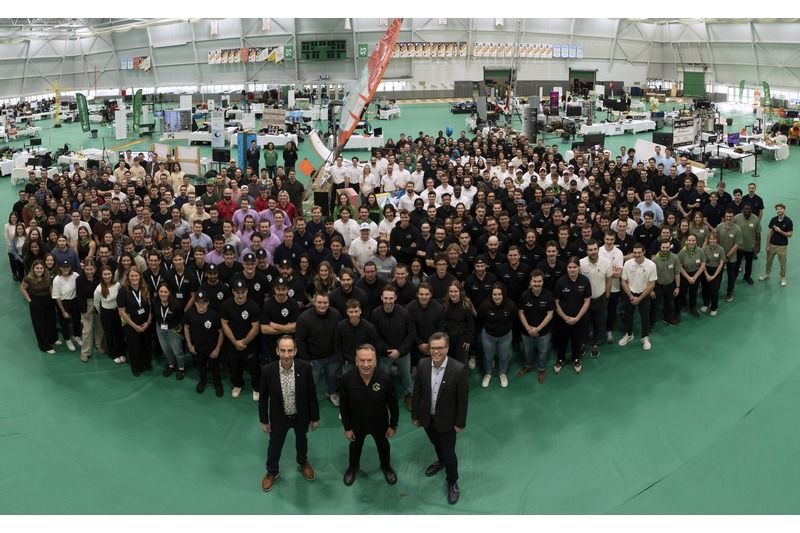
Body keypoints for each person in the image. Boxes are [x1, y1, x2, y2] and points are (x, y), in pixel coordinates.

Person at [411, 332, 469, 506]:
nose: (436, 352)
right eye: (433, 348)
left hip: (448, 421)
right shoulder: (422, 364)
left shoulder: (458, 369)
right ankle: (440, 461)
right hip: (427, 418)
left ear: (447, 348)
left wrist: (460, 423)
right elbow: (417, 392)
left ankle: (452, 481)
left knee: (449, 452)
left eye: (440, 348)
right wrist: (415, 415)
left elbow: (463, 399)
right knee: (436, 444)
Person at [258, 336, 320, 493]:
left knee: (302, 441)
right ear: (277, 351)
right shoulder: (267, 371)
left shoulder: (305, 368)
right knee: (274, 445)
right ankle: (272, 471)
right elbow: (263, 398)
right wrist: (264, 420)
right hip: (279, 417)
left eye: (290, 350)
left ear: (295, 351)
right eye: (283, 350)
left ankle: (302, 462)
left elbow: (311, 393)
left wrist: (314, 417)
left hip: (300, 416)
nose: (287, 354)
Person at [339, 344, 399, 486]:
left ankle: (386, 467)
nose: (366, 364)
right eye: (362, 360)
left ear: (375, 361)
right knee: (354, 448)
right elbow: (343, 406)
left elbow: (393, 404)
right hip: (356, 424)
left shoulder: (385, 378)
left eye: (369, 360)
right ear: (356, 360)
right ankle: (353, 467)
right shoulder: (346, 379)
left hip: (380, 423)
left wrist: (393, 425)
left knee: (383, 446)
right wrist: (347, 428)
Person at [221, 278, 262, 400]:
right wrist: (235, 342)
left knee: (254, 367)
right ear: (233, 292)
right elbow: (224, 324)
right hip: (232, 343)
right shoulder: (226, 305)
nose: (240, 295)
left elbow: (255, 328)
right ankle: (237, 385)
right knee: (234, 366)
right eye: (238, 292)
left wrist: (244, 342)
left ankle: (256, 387)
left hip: (250, 344)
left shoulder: (253, 306)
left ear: (247, 291)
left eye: (243, 292)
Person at [553, 257, 592, 374]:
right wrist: (565, 318)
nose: (572, 270)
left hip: (579, 319)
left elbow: (587, 301)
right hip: (563, 320)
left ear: (579, 268)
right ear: (567, 268)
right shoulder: (560, 282)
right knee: (562, 340)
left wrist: (577, 318)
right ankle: (560, 359)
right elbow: (556, 303)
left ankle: (576, 359)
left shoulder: (585, 281)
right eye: (570, 267)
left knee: (577, 340)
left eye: (574, 267)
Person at [184, 290, 224, 396]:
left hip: (212, 348)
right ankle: (202, 381)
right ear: (195, 303)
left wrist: (217, 348)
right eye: (198, 302)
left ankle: (218, 384)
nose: (201, 305)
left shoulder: (214, 315)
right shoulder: (190, 313)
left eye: (204, 302)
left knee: (215, 368)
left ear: (208, 303)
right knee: (200, 366)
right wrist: (189, 344)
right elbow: (186, 327)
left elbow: (221, 332)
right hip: (197, 348)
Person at [476, 283, 517, 388]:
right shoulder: (484, 306)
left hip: (505, 337)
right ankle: (488, 373)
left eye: (499, 294)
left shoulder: (510, 305)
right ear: (491, 295)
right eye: (495, 294)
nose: (497, 297)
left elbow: (514, 318)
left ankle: (502, 373)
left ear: (503, 295)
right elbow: (480, 320)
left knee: (503, 356)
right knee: (488, 356)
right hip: (488, 336)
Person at [517, 270, 554, 383]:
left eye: (539, 281)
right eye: (534, 281)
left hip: (543, 332)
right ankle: (528, 366)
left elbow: (550, 314)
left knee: (542, 352)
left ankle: (541, 369)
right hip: (527, 331)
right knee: (528, 350)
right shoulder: (524, 295)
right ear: (530, 282)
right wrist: (528, 328)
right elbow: (521, 312)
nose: (536, 284)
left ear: (543, 282)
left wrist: (538, 329)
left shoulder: (548, 295)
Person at [619, 243, 657, 351]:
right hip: (629, 294)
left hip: (644, 295)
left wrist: (639, 298)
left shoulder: (651, 265)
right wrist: (631, 296)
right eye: (634, 253)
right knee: (628, 316)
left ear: (644, 252)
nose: (637, 255)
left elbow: (652, 284)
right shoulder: (627, 264)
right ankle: (629, 335)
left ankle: (645, 337)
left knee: (645, 317)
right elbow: (623, 281)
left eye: (639, 252)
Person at [117, 267, 153, 376]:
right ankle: (136, 367)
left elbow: (151, 307)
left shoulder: (146, 288)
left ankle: (147, 363)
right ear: (128, 277)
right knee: (134, 346)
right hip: (131, 324)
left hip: (145, 323)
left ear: (140, 277)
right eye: (131, 276)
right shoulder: (123, 291)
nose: (134, 278)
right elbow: (121, 312)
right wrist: (134, 326)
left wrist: (148, 322)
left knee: (147, 344)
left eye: (136, 275)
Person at [579, 240, 612, 358]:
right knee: (584, 323)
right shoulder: (581, 263)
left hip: (600, 298)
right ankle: (584, 343)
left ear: (598, 249)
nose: (593, 252)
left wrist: (607, 296)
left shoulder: (606, 263)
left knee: (599, 323)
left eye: (595, 249)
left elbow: (609, 280)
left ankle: (595, 344)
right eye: (590, 250)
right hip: (585, 301)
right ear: (586, 251)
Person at [20, 259, 57, 354]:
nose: (39, 270)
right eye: (37, 268)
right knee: (39, 324)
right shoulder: (28, 279)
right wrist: (29, 300)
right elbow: (23, 289)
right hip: (36, 302)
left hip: (48, 300)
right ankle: (44, 346)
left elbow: (50, 288)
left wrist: (53, 298)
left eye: (41, 268)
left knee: (50, 320)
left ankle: (51, 339)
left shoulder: (47, 276)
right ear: (33, 268)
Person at [153, 282, 187, 380]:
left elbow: (182, 318)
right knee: (166, 349)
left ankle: (181, 368)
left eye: (165, 292)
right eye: (161, 291)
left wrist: (180, 331)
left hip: (173, 330)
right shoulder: (155, 302)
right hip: (160, 328)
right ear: (158, 292)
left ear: (170, 292)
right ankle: (171, 365)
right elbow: (155, 315)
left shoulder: (176, 304)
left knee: (177, 351)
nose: (163, 294)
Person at [94, 265, 125, 364]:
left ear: (112, 274)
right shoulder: (98, 289)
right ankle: (113, 354)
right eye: (105, 274)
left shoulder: (117, 285)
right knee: (109, 334)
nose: (107, 276)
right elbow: (96, 304)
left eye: (109, 274)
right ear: (102, 276)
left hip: (117, 312)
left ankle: (121, 352)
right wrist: (102, 314)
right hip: (106, 313)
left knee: (119, 333)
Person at [760, 203, 793, 287]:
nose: (779, 210)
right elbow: (769, 233)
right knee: (768, 261)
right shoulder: (773, 220)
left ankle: (783, 277)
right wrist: (767, 245)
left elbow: (790, 234)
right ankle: (767, 274)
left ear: (784, 209)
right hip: (772, 245)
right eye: (777, 209)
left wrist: (780, 231)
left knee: (783, 263)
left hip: (782, 247)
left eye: (781, 209)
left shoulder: (788, 221)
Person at [52, 259, 82, 352]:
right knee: (64, 322)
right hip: (63, 302)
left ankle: (76, 336)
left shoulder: (76, 275)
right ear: (60, 268)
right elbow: (57, 297)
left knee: (77, 320)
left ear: (70, 267)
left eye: (67, 267)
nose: (66, 269)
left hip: (74, 301)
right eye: (63, 267)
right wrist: (63, 311)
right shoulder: (57, 280)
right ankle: (67, 340)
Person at [676, 234, 705, 319]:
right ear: (686, 241)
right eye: (689, 240)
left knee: (693, 292)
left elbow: (702, 264)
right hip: (685, 274)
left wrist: (695, 277)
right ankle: (679, 309)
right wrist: (688, 278)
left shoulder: (700, 251)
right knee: (682, 292)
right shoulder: (682, 252)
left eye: (693, 240)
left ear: (696, 241)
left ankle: (692, 308)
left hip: (696, 274)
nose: (691, 242)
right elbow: (680, 266)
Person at [701, 232, 725, 317]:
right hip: (706, 269)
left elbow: (721, 264)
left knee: (714, 290)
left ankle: (714, 307)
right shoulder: (704, 249)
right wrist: (706, 274)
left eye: (714, 239)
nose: (712, 240)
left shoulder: (721, 249)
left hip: (716, 270)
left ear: (717, 240)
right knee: (705, 289)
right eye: (710, 239)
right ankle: (706, 304)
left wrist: (714, 276)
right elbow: (702, 263)